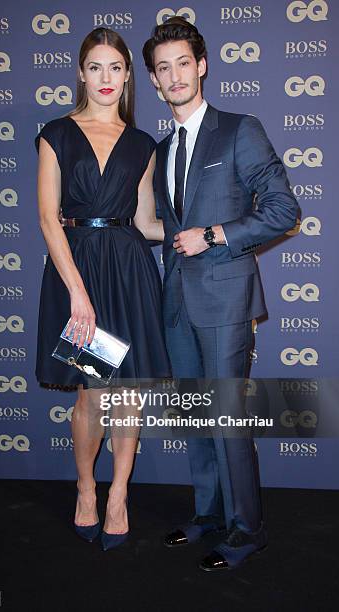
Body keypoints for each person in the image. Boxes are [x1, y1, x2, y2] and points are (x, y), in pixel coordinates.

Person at [142, 17, 299, 570]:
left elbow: (283, 211)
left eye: (183, 62)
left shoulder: (239, 129)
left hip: (226, 297)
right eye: (163, 68)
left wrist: (215, 235)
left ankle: (246, 529)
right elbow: (163, 226)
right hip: (177, 299)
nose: (175, 75)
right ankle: (208, 515)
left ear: (202, 65)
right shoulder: (161, 150)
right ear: (156, 82)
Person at [35, 27, 171, 551]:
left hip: (129, 271)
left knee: (127, 395)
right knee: (92, 394)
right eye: (96, 67)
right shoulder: (57, 133)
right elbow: (49, 219)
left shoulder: (142, 145)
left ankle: (118, 495)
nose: (106, 78)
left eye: (116, 67)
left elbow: (143, 221)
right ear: (81, 73)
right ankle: (86, 490)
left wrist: (200, 230)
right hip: (79, 273)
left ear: (129, 76)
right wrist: (77, 293)